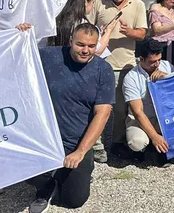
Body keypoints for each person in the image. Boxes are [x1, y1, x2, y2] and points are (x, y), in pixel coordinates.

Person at [27, 24, 113, 213]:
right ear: (70, 41)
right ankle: (45, 187)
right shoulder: (49, 56)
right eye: (80, 44)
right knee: (20, 167)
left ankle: (77, 169)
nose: (85, 50)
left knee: (74, 200)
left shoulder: (103, 70)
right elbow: (18, 53)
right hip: (44, 138)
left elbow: (102, 113)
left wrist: (81, 152)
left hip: (76, 141)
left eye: (91, 46)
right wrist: (20, 33)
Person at [88, 0, 148, 162]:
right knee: (99, 107)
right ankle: (97, 146)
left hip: (124, 65)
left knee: (121, 109)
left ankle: (117, 144)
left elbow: (142, 34)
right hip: (99, 64)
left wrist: (129, 31)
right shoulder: (99, 1)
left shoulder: (137, 5)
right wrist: (100, 33)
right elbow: (87, 28)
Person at [124, 38, 171, 162]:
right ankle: (142, 149)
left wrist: (167, 78)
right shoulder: (131, 78)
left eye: (159, 60)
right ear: (141, 59)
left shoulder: (167, 66)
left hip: (163, 117)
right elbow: (138, 112)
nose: (157, 64)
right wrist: (154, 136)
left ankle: (162, 147)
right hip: (141, 118)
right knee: (136, 142)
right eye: (152, 61)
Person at [50, 0, 114, 58]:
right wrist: (109, 30)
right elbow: (97, 50)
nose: (93, 6)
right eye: (93, 2)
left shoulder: (60, 17)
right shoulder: (81, 24)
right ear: (86, 1)